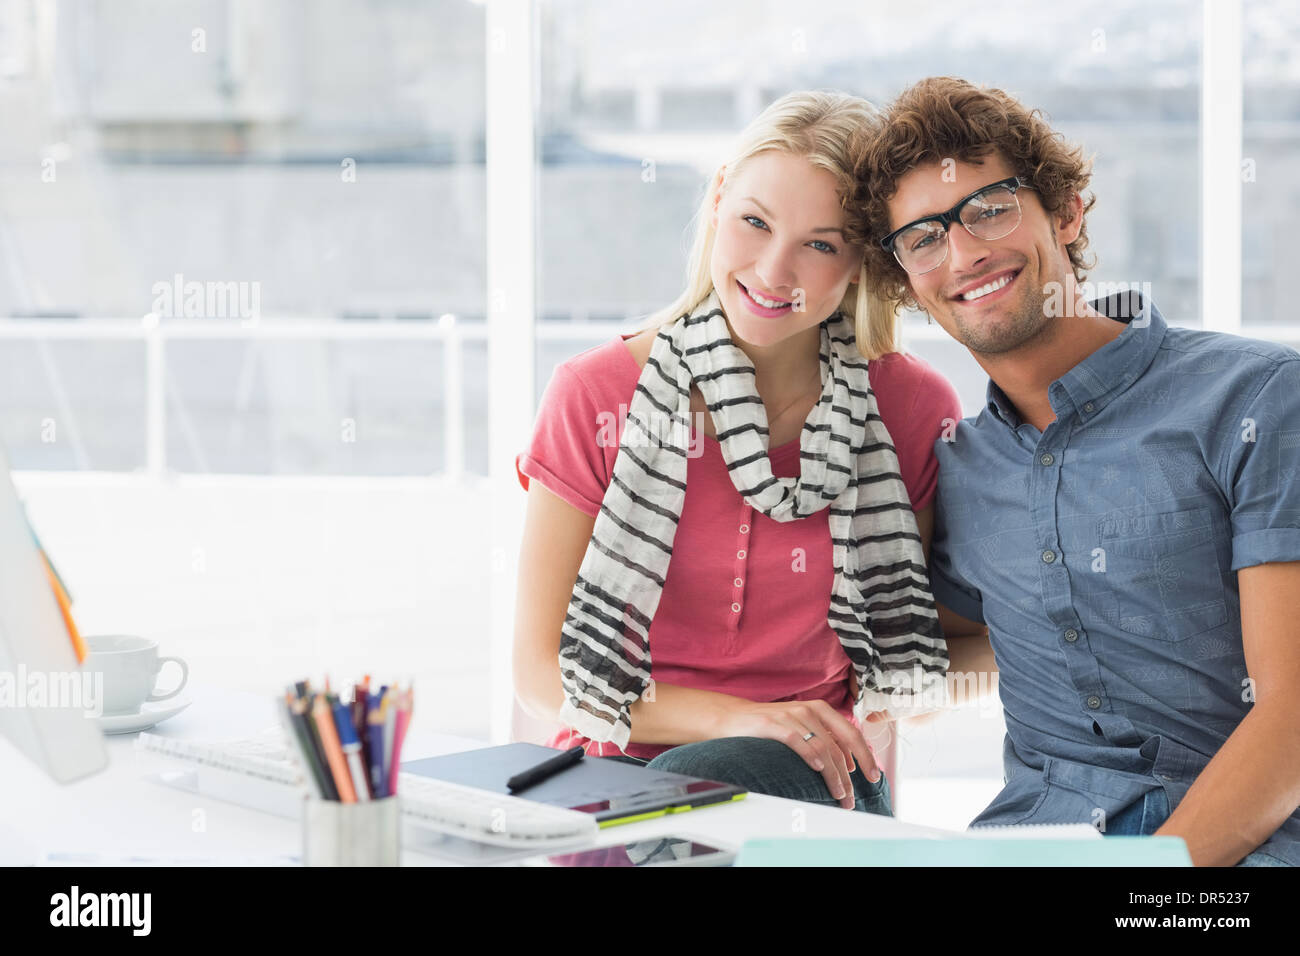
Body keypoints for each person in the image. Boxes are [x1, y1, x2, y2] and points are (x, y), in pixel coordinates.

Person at [859, 76, 1300, 865]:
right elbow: (941, 636)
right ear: (911, 285)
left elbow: (1294, 714)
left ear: (1065, 210)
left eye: (990, 207)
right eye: (923, 238)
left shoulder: (1259, 397)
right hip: (1033, 838)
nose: (963, 252)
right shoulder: (961, 467)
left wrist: (1152, 884)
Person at [513, 90, 982, 816]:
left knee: (710, 786)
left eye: (820, 244)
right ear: (719, 202)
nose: (772, 271)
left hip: (813, 778)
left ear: (862, 263)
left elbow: (921, 645)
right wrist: (741, 716)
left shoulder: (910, 409)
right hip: (608, 779)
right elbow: (541, 674)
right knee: (682, 787)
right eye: (755, 224)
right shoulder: (596, 394)